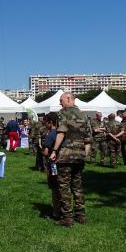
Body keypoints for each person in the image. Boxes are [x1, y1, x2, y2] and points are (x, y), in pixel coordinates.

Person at [49, 92, 88, 227]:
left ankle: (67, 217)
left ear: (68, 98)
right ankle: (81, 215)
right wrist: (84, 155)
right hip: (80, 156)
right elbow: (88, 139)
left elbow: (61, 132)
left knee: (64, 187)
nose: (60, 103)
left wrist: (54, 151)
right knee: (77, 186)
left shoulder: (62, 113)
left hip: (66, 156)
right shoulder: (84, 115)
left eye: (61, 100)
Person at [42, 112, 61, 220]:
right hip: (63, 163)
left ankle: (56, 211)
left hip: (53, 164)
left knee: (54, 188)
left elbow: (46, 152)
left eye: (46, 123)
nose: (45, 125)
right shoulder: (62, 132)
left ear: (50, 123)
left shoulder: (50, 135)